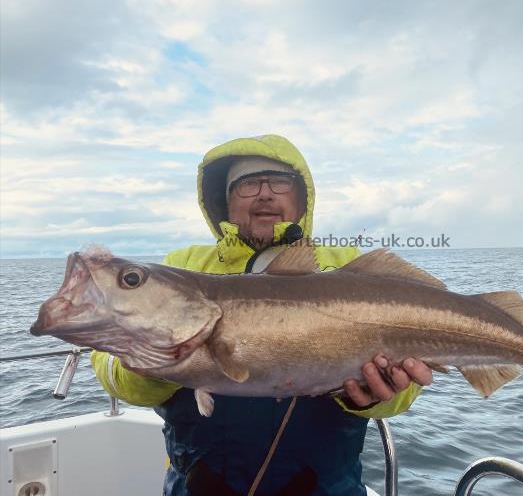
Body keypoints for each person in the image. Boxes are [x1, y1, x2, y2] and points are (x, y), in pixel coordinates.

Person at [91, 134, 432, 496]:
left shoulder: (348, 269)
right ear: (225, 202)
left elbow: (404, 394)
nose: (265, 193)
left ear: (303, 198)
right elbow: (110, 372)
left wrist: (378, 394)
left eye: (280, 182)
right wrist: (151, 366)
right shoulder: (182, 267)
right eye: (248, 184)